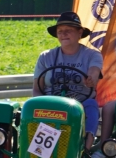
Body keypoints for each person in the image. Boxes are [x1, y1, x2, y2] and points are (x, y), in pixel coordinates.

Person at [34, 11, 104, 139]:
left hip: (80, 104)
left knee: (91, 105)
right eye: (60, 31)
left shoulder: (92, 55)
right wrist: (42, 105)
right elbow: (37, 89)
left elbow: (94, 71)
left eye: (68, 30)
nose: (63, 34)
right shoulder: (45, 56)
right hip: (51, 104)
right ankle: (36, 148)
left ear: (80, 32)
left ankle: (86, 147)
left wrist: (91, 79)